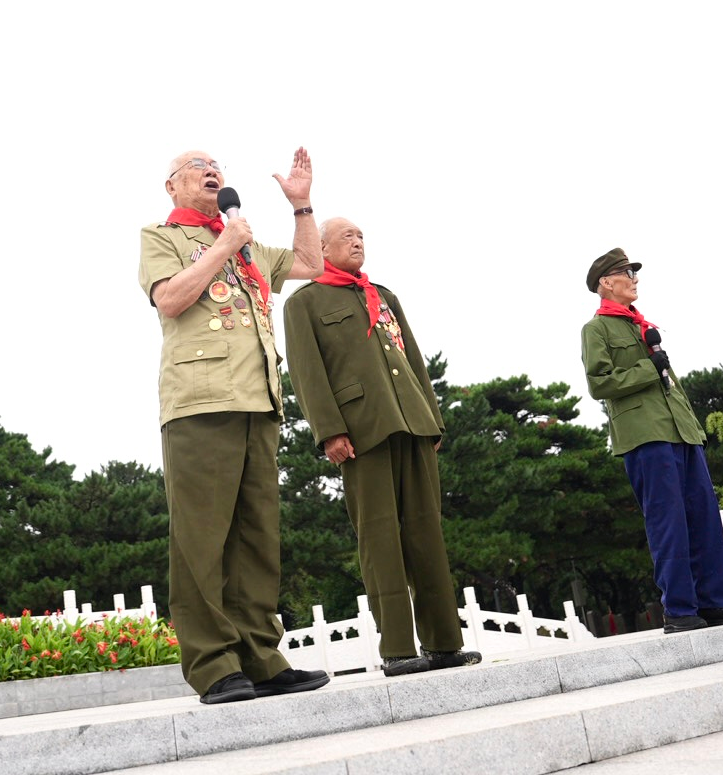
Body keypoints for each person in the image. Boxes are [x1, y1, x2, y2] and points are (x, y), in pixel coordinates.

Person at [138, 148, 330, 704]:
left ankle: (261, 659)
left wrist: (301, 206)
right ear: (172, 186)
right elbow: (170, 299)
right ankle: (213, 665)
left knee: (256, 539)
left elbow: (310, 266)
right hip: (200, 402)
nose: (210, 169)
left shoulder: (244, 241)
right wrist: (222, 245)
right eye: (196, 165)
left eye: (214, 163)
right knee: (201, 538)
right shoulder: (161, 236)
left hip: (259, 401)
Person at [284, 219, 480, 676]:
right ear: (323, 247)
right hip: (362, 429)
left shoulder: (383, 295)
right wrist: (329, 430)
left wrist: (432, 420)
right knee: (380, 539)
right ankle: (397, 649)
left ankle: (444, 643)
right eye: (347, 237)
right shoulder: (305, 303)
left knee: (426, 533)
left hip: (412, 422)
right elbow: (307, 374)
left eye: (361, 236)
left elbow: (411, 358)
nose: (357, 241)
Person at [579, 248, 723, 634]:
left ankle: (715, 604)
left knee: (704, 520)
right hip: (645, 437)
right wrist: (646, 368)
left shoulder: (643, 326)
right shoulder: (597, 329)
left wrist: (694, 430)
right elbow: (599, 383)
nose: (635, 278)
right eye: (627, 272)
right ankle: (679, 609)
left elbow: (670, 384)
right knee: (668, 522)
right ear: (607, 282)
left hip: (682, 433)